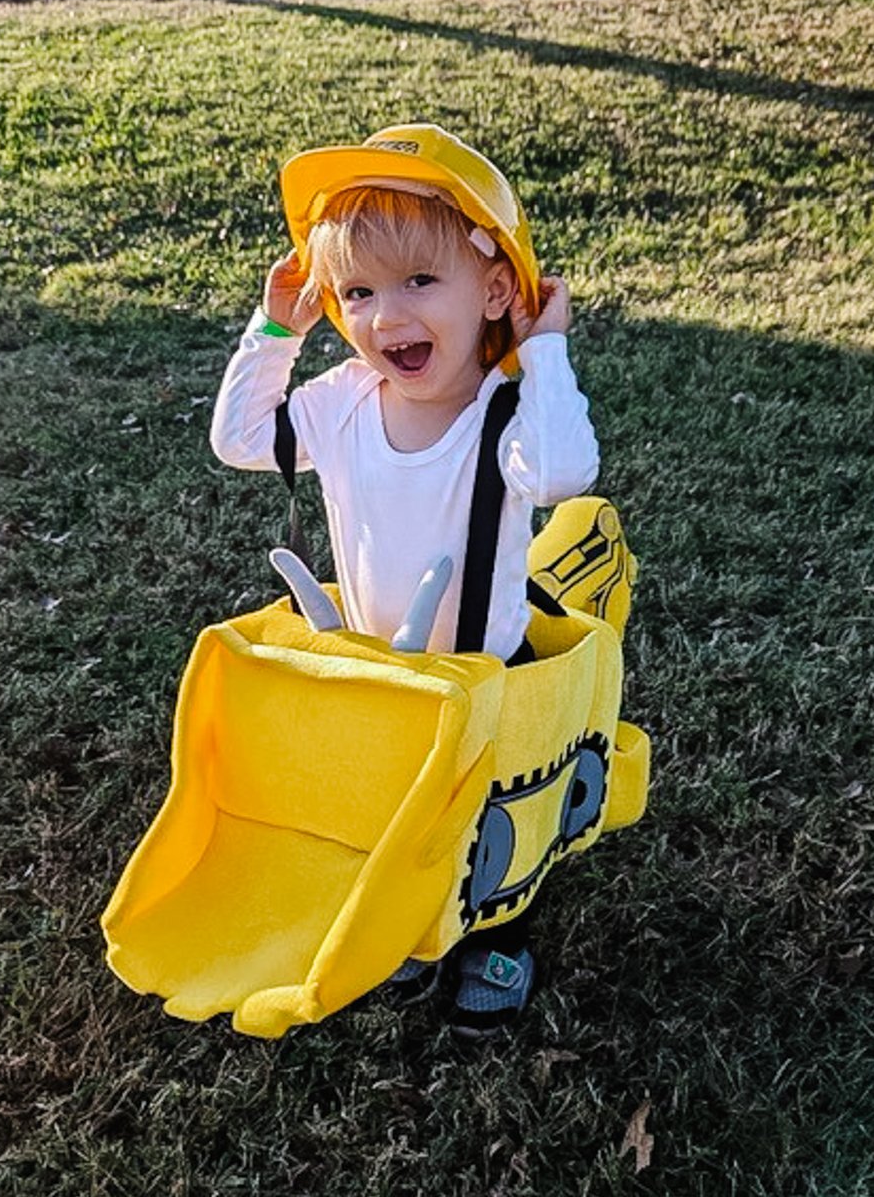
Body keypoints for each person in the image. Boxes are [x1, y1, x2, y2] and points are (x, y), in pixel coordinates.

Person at [210, 124, 600, 1037]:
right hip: (381, 668)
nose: (387, 317)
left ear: (496, 288)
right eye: (357, 292)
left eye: (420, 282)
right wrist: (276, 329)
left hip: (484, 671)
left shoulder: (503, 410)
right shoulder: (341, 401)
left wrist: (541, 351)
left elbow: (561, 472)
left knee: (496, 826)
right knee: (396, 817)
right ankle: (406, 928)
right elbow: (237, 439)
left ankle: (498, 940)